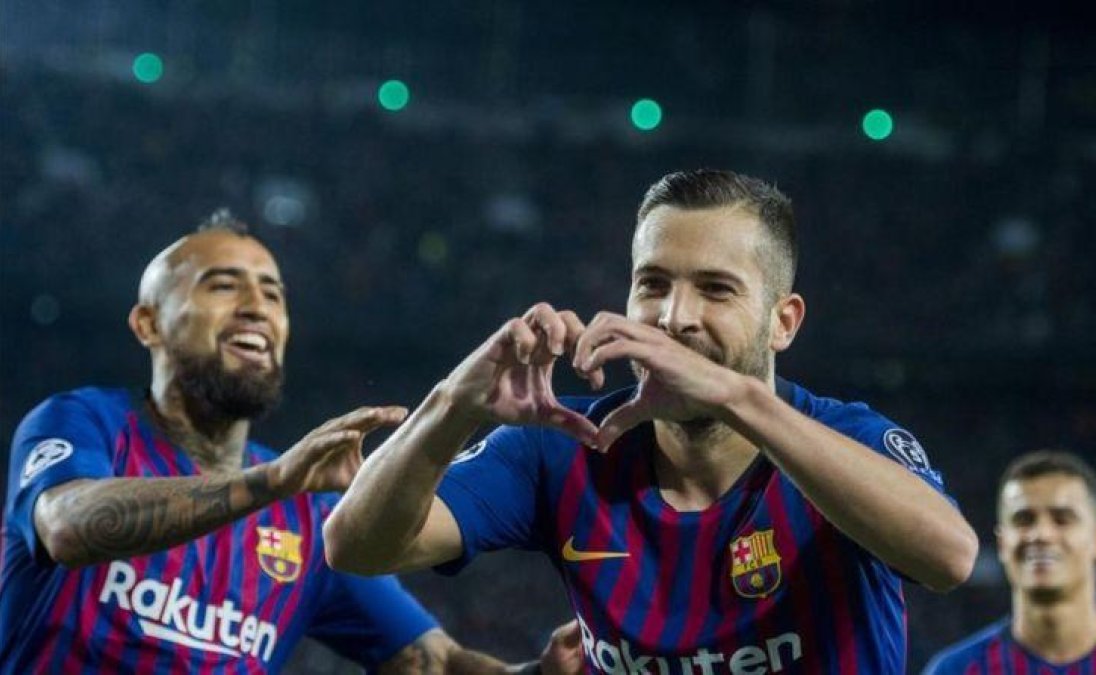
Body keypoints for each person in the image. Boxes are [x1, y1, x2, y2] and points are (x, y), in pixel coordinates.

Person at [324, 169, 980, 673]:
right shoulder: (559, 446)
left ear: (783, 322)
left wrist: (737, 396)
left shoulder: (846, 442)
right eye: (654, 283)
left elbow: (949, 555)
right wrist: (450, 405)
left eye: (715, 289)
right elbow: (355, 545)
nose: (673, 317)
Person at [0, 211, 570, 674]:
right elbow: (67, 527)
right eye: (223, 285)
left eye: (273, 294)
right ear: (148, 324)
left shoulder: (308, 514)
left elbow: (435, 664)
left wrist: (539, 674)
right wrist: (275, 482)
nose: (257, 306)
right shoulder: (82, 421)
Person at [922, 450, 1096, 674]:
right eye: (1024, 519)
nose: (1041, 534)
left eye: (1062, 518)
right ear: (1003, 543)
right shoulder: (953, 670)